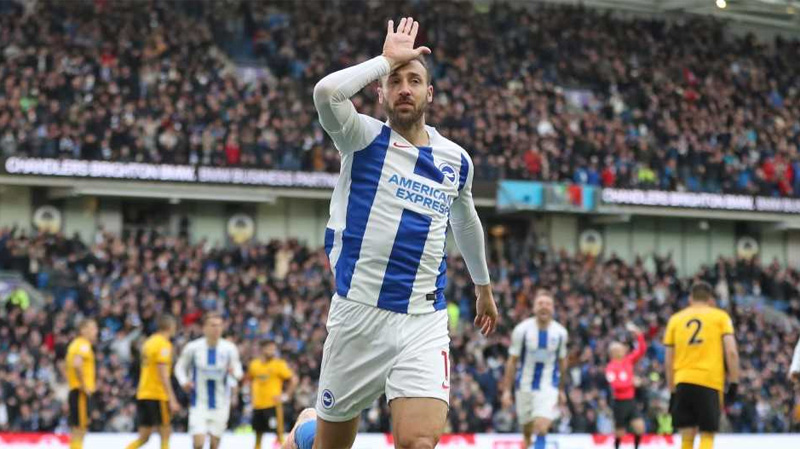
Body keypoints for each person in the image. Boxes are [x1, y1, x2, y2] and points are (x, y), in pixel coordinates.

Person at [312, 16, 497, 449]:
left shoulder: (456, 160)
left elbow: (465, 220)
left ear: (429, 94)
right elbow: (326, 93)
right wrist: (385, 59)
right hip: (358, 314)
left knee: (419, 443)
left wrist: (483, 285)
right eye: (395, 82)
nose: (405, 89)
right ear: (381, 92)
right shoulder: (361, 138)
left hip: (423, 318)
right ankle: (306, 430)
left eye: (414, 81)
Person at [664, 282, 740, 449]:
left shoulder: (675, 320)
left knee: (686, 436)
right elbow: (732, 352)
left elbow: (668, 360)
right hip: (709, 381)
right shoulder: (720, 317)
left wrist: (672, 391)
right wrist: (734, 382)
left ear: (690, 299)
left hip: (682, 381)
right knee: (707, 433)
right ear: (711, 299)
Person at [501, 291, 568, 449]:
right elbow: (512, 361)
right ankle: (527, 442)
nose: (544, 307)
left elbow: (563, 362)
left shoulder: (560, 333)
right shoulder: (522, 330)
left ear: (553, 309)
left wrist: (561, 390)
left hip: (548, 385)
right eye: (540, 304)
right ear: (533, 308)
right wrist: (506, 391)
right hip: (524, 385)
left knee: (542, 426)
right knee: (527, 429)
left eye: (548, 304)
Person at [175, 312, 244, 449]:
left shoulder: (229, 349)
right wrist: (184, 382)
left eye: (219, 326)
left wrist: (234, 373)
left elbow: (239, 371)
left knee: (214, 444)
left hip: (221, 404)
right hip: (199, 403)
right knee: (198, 443)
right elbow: (179, 367)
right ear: (204, 328)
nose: (216, 329)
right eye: (212, 325)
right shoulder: (193, 348)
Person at [125, 315, 180, 449]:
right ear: (170, 327)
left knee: (144, 437)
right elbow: (163, 373)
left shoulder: (148, 343)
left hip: (143, 393)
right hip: (157, 394)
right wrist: (172, 399)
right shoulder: (163, 345)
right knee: (165, 433)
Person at [247, 340, 299, 448]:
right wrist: (251, 396)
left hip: (273, 405)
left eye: (274, 349)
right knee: (258, 435)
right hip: (258, 405)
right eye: (270, 348)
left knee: (279, 434)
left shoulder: (279, 364)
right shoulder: (254, 365)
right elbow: (250, 380)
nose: (272, 351)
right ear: (262, 349)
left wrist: (286, 395)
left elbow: (293, 379)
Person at [606, 322, 647, 449]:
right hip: (619, 403)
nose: (624, 350)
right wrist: (632, 382)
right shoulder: (610, 367)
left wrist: (639, 335)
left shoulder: (628, 361)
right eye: (620, 349)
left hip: (631, 401)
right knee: (620, 433)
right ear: (614, 352)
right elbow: (616, 385)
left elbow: (641, 350)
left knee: (640, 428)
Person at [65, 319, 98, 449]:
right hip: (81, 391)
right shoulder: (82, 344)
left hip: (75, 390)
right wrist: (84, 385)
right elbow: (77, 364)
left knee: (76, 430)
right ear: (83, 330)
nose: (96, 331)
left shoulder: (74, 344)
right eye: (93, 328)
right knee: (80, 429)